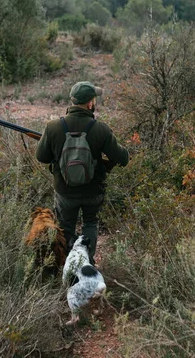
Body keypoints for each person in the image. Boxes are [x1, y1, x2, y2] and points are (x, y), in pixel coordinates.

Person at [36, 81, 129, 264]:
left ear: (72, 101)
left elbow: (42, 157)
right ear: (90, 103)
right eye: (95, 99)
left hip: (65, 191)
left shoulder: (53, 127)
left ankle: (68, 263)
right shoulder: (100, 128)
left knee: (65, 227)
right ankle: (87, 262)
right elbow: (122, 158)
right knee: (90, 223)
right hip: (93, 191)